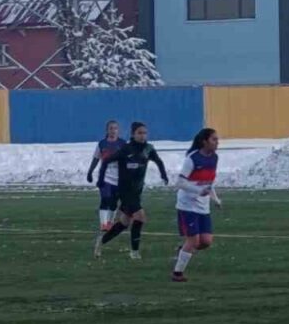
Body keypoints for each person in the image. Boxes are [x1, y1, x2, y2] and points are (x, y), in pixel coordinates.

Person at [94, 121, 168, 260]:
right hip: (125, 191)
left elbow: (159, 161)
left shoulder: (148, 149)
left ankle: (101, 240)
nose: (143, 135)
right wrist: (101, 179)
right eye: (139, 133)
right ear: (133, 134)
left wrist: (164, 175)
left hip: (137, 191)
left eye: (145, 133)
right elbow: (106, 161)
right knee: (140, 217)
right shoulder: (126, 149)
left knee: (124, 222)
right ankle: (134, 252)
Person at [173, 127, 220, 283]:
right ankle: (177, 273)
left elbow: (209, 182)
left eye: (217, 139)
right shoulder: (192, 159)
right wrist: (198, 191)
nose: (217, 142)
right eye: (214, 139)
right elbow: (180, 183)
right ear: (204, 141)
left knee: (206, 241)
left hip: (203, 206)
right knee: (193, 241)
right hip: (187, 205)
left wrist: (215, 198)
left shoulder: (214, 158)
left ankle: (183, 251)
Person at [85, 120, 125, 234]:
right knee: (105, 199)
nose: (113, 130)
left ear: (118, 130)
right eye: (111, 128)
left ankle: (110, 223)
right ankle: (103, 224)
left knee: (113, 203)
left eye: (115, 128)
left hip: (119, 178)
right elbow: (96, 158)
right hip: (105, 177)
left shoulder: (123, 144)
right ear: (107, 130)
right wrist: (90, 172)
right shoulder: (102, 144)